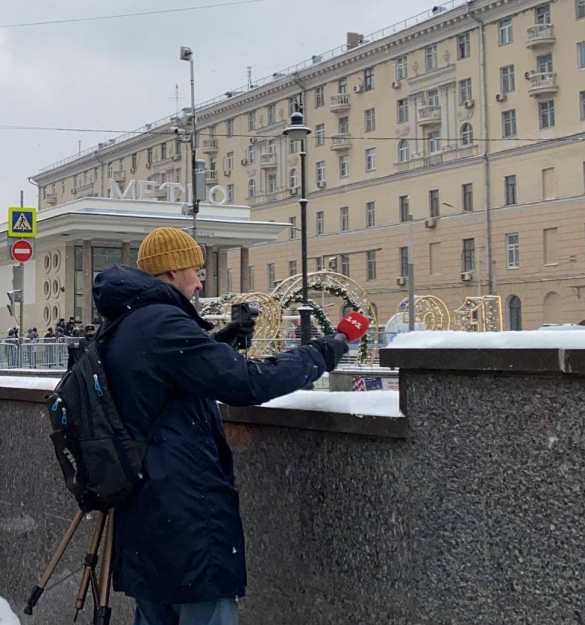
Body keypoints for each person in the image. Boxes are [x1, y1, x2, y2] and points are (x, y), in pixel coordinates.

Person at [92, 227, 347, 625]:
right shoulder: (163, 323)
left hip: (146, 507)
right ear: (173, 271)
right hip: (185, 510)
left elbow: (169, 374)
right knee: (207, 610)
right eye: (196, 268)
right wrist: (324, 351)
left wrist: (222, 340)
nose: (201, 278)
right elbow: (248, 383)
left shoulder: (127, 321)